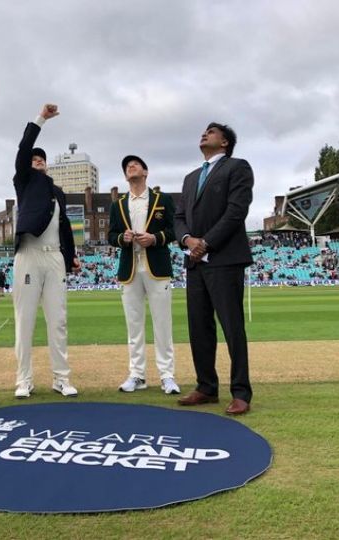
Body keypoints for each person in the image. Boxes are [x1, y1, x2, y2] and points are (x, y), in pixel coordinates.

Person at [174, 122, 254, 416]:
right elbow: (179, 216)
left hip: (224, 259)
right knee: (199, 327)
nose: (204, 133)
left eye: (212, 131)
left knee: (232, 327)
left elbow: (236, 211)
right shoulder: (190, 177)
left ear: (224, 143)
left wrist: (205, 243)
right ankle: (206, 387)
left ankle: (241, 392)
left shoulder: (237, 167)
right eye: (204, 130)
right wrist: (187, 240)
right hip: (195, 263)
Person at [12, 103, 81, 398]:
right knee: (24, 321)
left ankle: (61, 378)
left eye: (42, 159)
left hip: (54, 257)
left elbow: (65, 226)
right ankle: (23, 380)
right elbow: (25, 147)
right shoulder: (24, 181)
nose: (38, 161)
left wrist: (71, 255)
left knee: (59, 320)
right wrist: (41, 119)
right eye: (34, 159)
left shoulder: (57, 191)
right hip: (29, 253)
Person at [108, 155, 180, 395]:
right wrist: (122, 238)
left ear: (146, 172)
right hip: (130, 268)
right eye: (127, 166)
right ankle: (137, 375)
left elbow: (174, 230)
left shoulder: (163, 199)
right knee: (134, 326)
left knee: (162, 324)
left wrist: (154, 238)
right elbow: (111, 235)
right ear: (125, 176)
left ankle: (167, 375)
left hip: (157, 267)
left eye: (135, 164)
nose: (131, 166)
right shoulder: (118, 204)